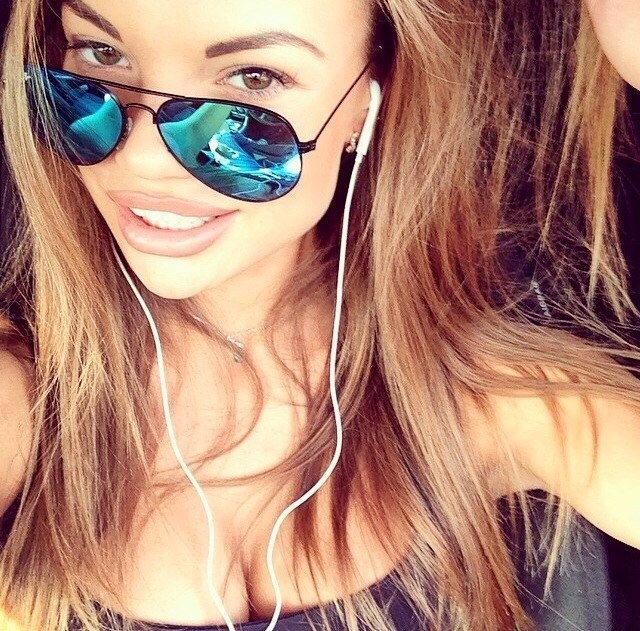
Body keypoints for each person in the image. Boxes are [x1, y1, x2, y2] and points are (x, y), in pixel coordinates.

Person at [0, 1, 639, 630]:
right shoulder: (25, 394)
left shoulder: (489, 400)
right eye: (102, 54)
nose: (142, 159)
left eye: (254, 79)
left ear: (367, 103)